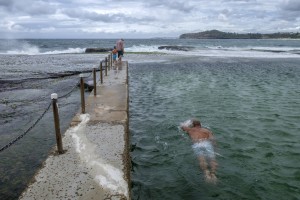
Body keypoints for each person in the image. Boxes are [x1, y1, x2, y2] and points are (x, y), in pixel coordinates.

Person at [181, 119, 218, 183]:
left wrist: (188, 123)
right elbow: (212, 139)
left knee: (201, 159)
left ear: (192, 125)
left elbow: (182, 126)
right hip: (206, 143)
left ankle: (206, 173)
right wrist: (215, 147)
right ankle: (213, 174)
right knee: (212, 159)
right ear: (200, 124)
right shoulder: (207, 130)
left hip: (197, 144)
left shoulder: (190, 130)